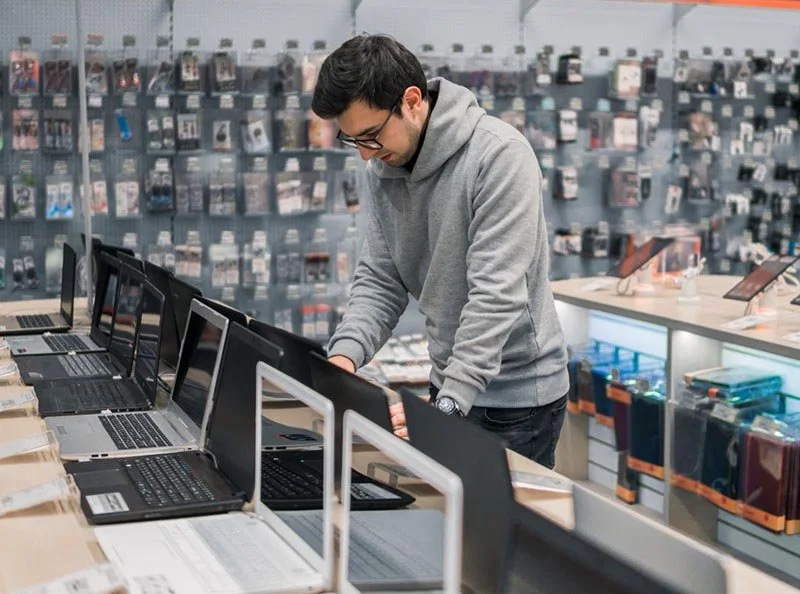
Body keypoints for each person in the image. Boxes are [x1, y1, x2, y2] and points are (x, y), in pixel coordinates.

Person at [311, 34, 569, 468]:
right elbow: (379, 279)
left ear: (411, 101)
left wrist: (447, 407)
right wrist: (343, 358)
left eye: (370, 136)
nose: (364, 155)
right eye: (352, 140)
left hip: (518, 401)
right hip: (448, 386)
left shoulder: (498, 156)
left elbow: (495, 295)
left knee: (495, 534)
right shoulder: (385, 165)